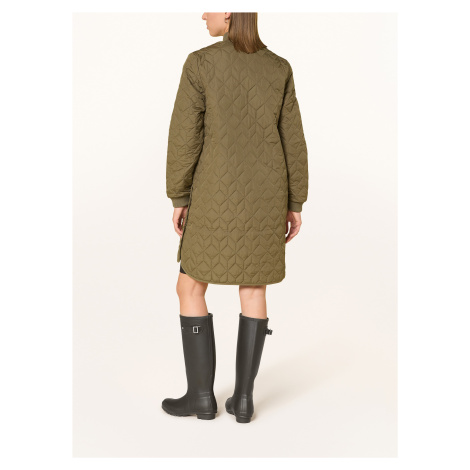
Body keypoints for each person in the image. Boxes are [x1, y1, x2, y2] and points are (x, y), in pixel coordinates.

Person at [162, 12, 308, 423]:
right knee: (254, 289)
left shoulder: (201, 63)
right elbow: (293, 140)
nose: (202, 13)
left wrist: (179, 194)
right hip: (266, 196)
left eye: (208, 5)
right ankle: (243, 401)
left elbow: (185, 136)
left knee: (190, 285)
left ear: (228, 11)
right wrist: (295, 202)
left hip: (214, 192)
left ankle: (200, 397)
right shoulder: (279, 68)